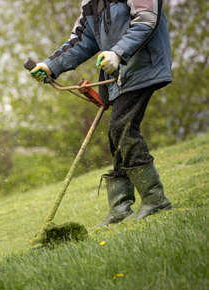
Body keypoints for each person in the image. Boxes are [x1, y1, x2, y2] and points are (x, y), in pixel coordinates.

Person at [30, 0, 172, 225]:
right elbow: (81, 41)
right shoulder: (90, 3)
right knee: (116, 134)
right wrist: (50, 66)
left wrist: (117, 53)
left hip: (143, 66)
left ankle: (155, 200)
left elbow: (146, 20)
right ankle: (120, 208)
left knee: (122, 128)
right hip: (117, 77)